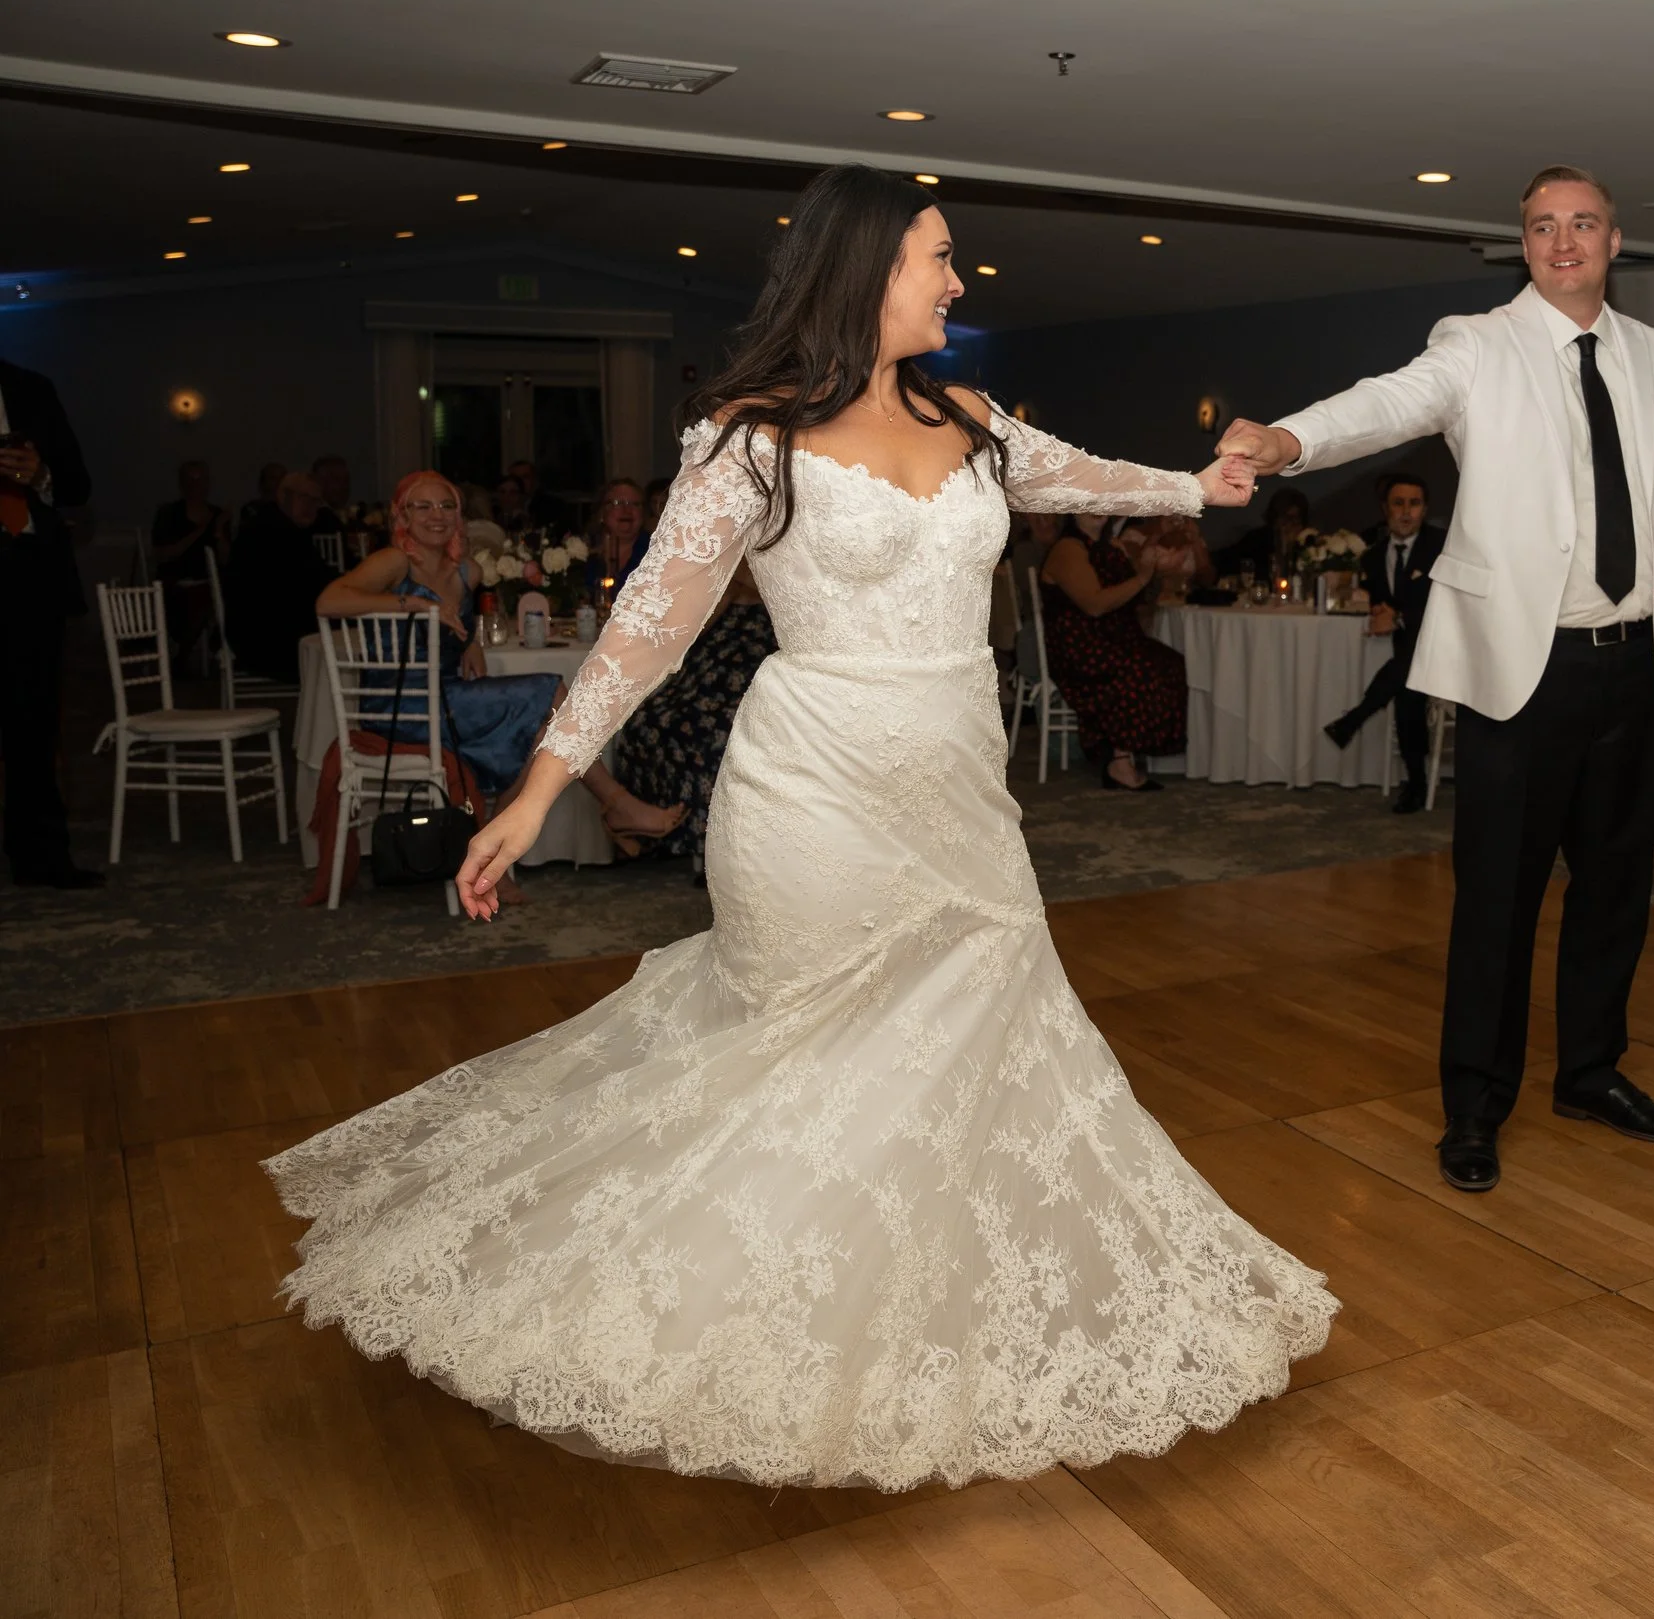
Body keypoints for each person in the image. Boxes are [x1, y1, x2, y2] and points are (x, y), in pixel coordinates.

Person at [263, 164, 1327, 1492]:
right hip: (811, 787)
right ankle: (724, 1326)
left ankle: (916, 1324)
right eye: (940, 256)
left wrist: (1204, 487)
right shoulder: (750, 437)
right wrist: (539, 786)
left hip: (959, 788)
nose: (957, 278)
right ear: (868, 271)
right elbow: (648, 623)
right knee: (810, 1053)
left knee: (987, 1044)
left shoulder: (976, 416)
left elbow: (1084, 475)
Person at [1219, 164, 1654, 1194]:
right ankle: (1473, 1106)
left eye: (1583, 224)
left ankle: (1591, 1071)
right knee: (1496, 898)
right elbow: (1385, 404)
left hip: (1639, 667)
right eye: (1543, 227)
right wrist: (1287, 442)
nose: (1564, 242)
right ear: (1524, 245)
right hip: (1521, 674)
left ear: (1615, 242)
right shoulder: (1476, 345)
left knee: (1615, 888)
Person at [314, 470, 565, 815]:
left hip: (447, 701)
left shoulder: (468, 572)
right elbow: (328, 602)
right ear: (402, 515)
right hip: (398, 707)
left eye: (447, 506)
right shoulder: (395, 560)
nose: (437, 515)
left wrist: (469, 642)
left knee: (553, 715)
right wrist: (415, 604)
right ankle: (611, 802)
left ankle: (505, 818)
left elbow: (455, 627)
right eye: (423, 507)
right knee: (553, 694)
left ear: (458, 516)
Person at [584, 558, 777, 862]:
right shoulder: (718, 551)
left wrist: (745, 575)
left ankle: (712, 843)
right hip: (711, 659)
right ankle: (643, 823)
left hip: (759, 654)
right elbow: (696, 625)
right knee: (646, 719)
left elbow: (779, 588)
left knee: (719, 730)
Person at [0, 356, 100, 888]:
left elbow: (76, 484)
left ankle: (39, 856)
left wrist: (40, 478)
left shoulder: (31, 388)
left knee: (31, 722)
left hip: (29, 579)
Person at [1324, 472, 1446, 813]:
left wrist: (1400, 617)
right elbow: (1381, 600)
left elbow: (1447, 602)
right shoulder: (1372, 557)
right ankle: (1416, 782)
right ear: (1385, 509)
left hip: (1445, 649)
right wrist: (1376, 606)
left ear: (1424, 509)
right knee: (1407, 683)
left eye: (1414, 504)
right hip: (1407, 654)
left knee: (1409, 671)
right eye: (1398, 503)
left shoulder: (1442, 547)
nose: (1406, 512)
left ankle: (1355, 719)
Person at [1041, 515, 1188, 790]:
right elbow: (1094, 604)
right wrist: (1143, 576)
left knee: (1171, 664)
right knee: (1141, 669)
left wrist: (1151, 561)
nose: (1097, 509)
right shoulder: (1068, 549)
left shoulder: (1111, 546)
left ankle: (1127, 751)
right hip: (1081, 648)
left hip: (1114, 639)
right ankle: (1119, 760)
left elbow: (1135, 595)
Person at [224, 471, 332, 681]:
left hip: (261, 635)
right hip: (268, 643)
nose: (311, 507)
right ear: (284, 497)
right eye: (304, 498)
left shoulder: (275, 526)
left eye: (316, 501)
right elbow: (313, 583)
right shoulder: (276, 533)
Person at [150, 459, 229, 654]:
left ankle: (218, 647)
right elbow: (164, 553)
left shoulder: (217, 515)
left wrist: (218, 530)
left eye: (201, 480)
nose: (196, 485)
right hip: (176, 582)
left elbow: (226, 558)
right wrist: (200, 530)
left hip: (210, 581)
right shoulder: (169, 513)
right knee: (202, 600)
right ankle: (184, 652)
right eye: (190, 480)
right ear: (181, 483)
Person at [1214, 487, 1307, 585]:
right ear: (1275, 519)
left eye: (1295, 520)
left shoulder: (1307, 544)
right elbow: (1228, 560)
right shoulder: (1257, 540)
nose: (1289, 525)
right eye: (1286, 518)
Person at [581, 477, 650, 596]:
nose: (627, 510)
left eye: (635, 504)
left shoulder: (656, 551)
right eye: (617, 503)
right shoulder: (582, 552)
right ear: (602, 512)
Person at [309, 454, 358, 530]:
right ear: (320, 482)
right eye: (336, 480)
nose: (343, 486)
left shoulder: (348, 516)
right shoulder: (316, 518)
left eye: (346, 480)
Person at [238, 460, 289, 529]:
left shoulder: (294, 511)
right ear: (263, 482)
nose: (279, 482)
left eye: (282, 478)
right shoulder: (253, 509)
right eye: (273, 478)